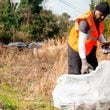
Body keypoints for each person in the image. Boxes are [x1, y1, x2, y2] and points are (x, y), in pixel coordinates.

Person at [68, 2, 110, 75]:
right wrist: (84, 62)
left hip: (89, 49)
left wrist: (106, 45)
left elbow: (99, 35)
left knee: (94, 70)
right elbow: (81, 44)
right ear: (95, 10)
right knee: (75, 73)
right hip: (76, 48)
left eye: (105, 15)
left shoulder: (99, 22)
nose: (102, 17)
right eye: (101, 14)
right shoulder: (85, 22)